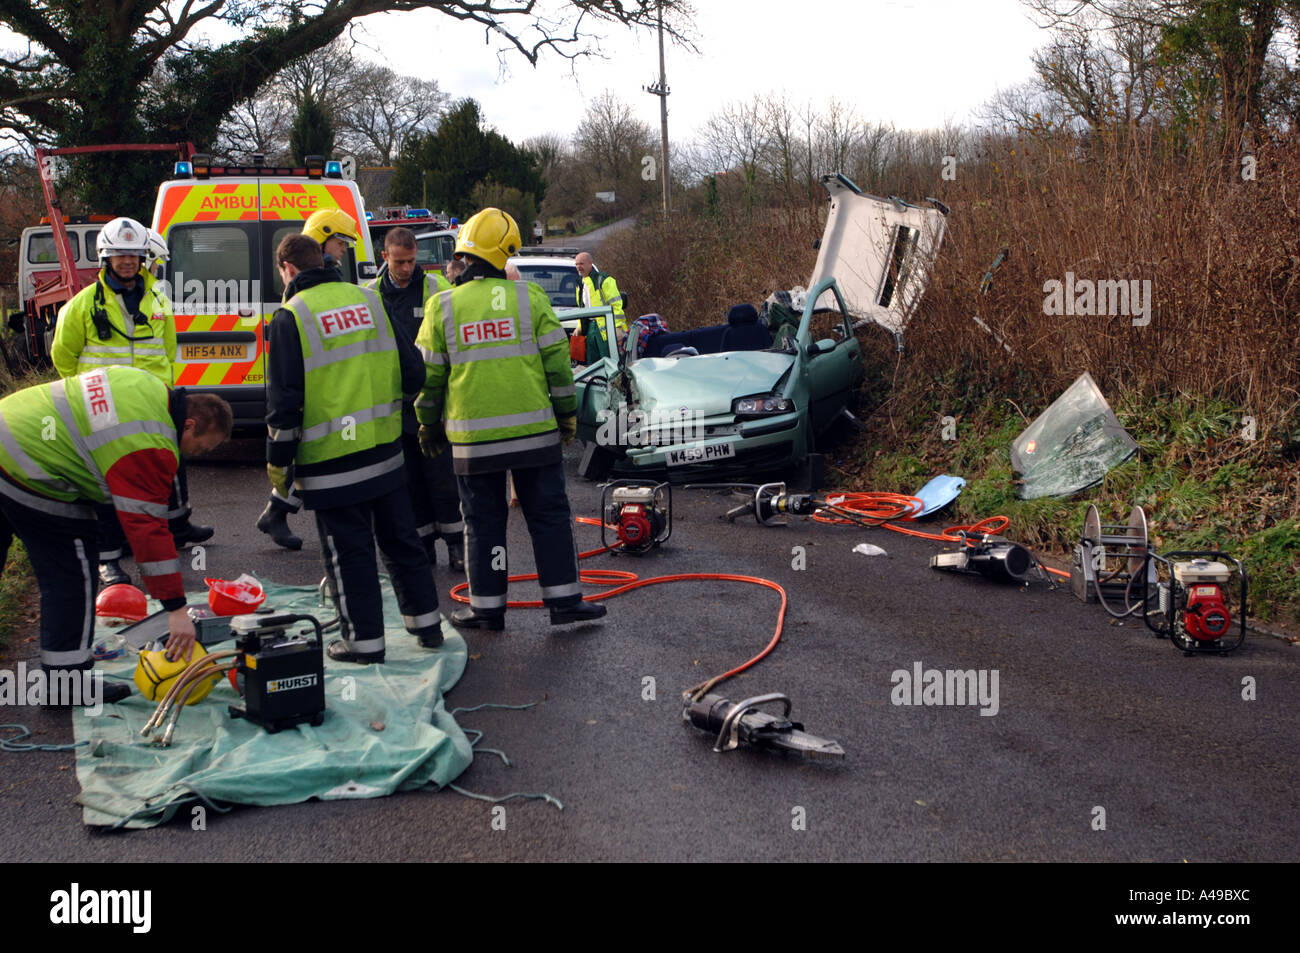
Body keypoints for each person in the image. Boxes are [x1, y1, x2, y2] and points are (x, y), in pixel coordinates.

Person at [415, 207, 606, 631]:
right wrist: (566, 417)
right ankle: (564, 601)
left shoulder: (442, 307)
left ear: (465, 253)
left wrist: (427, 424)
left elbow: (428, 378)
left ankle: (486, 608)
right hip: (533, 437)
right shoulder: (530, 299)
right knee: (549, 516)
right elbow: (558, 369)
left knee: (483, 523)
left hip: (472, 442)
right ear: (506, 255)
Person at [0, 365, 232, 704]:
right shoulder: (150, 444)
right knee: (72, 572)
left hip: (10, 428)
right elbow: (148, 531)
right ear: (190, 424)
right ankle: (65, 686)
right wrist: (176, 609)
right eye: (201, 447)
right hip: (29, 464)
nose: (195, 456)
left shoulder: (148, 387)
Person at [266, 233, 443, 663]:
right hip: (385, 452)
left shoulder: (290, 318)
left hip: (331, 464)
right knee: (401, 540)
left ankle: (364, 644)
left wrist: (279, 467)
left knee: (350, 552)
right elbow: (414, 373)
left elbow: (284, 406)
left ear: (288, 270)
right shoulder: (370, 300)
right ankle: (428, 626)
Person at [50, 216, 212, 587]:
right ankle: (110, 559)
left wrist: (165, 395)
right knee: (107, 483)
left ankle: (175, 528)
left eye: (133, 256)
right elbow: (64, 355)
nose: (127, 262)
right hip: (103, 408)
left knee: (165, 468)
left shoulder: (157, 297)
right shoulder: (82, 306)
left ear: (142, 258)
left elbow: (166, 349)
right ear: (105, 258)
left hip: (151, 401)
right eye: (120, 255)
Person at [256, 207, 362, 550]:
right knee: (311, 456)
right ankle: (277, 511)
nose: (344, 249)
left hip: (327, 381)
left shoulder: (326, 274)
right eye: (340, 242)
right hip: (318, 385)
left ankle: (276, 511)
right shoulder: (309, 282)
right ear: (322, 239)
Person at [366, 227, 464, 572]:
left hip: (434, 402)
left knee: (443, 477)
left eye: (411, 261)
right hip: (394, 405)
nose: (407, 268)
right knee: (409, 482)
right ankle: (424, 545)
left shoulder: (436, 289)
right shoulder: (370, 295)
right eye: (399, 262)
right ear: (385, 257)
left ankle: (456, 545)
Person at [574, 251, 626, 333]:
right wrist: (580, 326)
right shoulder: (580, 284)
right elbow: (581, 308)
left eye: (581, 264)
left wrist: (617, 327)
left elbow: (616, 305)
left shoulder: (604, 280)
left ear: (590, 264)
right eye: (576, 264)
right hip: (589, 328)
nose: (578, 267)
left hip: (607, 328)